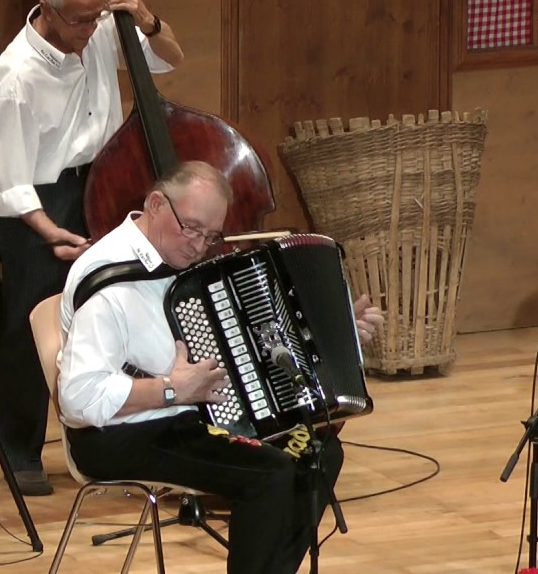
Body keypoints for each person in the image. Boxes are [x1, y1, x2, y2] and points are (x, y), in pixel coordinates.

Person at [57, 161, 380, 574]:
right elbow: (78, 399)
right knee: (268, 475)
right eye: (191, 228)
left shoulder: (178, 262)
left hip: (188, 414)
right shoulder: (109, 284)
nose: (198, 246)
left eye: (211, 236)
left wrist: (332, 333)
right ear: (155, 205)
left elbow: (243, 342)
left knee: (319, 453)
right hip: (120, 432)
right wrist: (172, 389)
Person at [0, 0, 184, 495]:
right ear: (47, 10)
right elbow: (8, 181)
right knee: (31, 318)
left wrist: (147, 20)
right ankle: (19, 449)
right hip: (38, 201)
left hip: (106, 179)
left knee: (119, 303)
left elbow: (171, 59)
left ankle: (126, 434)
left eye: (97, 17)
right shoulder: (13, 76)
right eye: (79, 20)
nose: (90, 29)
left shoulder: (98, 28)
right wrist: (53, 232)